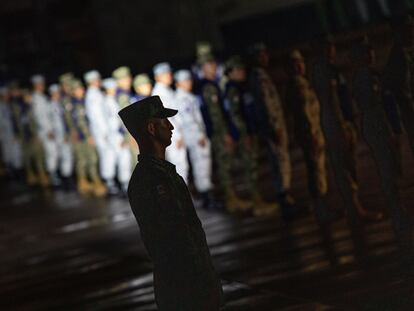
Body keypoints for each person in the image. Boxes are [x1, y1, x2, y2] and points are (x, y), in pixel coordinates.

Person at [118, 95, 223, 311]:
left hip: (189, 283)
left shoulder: (162, 174)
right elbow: (175, 238)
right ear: (151, 129)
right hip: (184, 287)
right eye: (165, 121)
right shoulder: (152, 179)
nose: (171, 126)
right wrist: (201, 281)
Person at [352, 40, 413, 263]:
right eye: (366, 52)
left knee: (389, 168)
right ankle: (397, 213)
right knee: (388, 169)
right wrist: (394, 129)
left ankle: (398, 211)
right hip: (379, 125)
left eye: (371, 51)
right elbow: (383, 104)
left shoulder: (363, 78)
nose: (371, 55)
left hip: (376, 125)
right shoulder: (369, 78)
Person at [311, 38, 382, 222]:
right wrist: (339, 127)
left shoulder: (331, 69)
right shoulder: (323, 71)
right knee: (344, 167)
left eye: (331, 47)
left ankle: (353, 206)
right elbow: (330, 103)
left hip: (342, 123)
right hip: (335, 125)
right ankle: (354, 209)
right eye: (327, 47)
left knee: (349, 165)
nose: (331, 50)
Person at [285, 49, 339, 223]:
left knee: (316, 170)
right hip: (311, 135)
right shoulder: (298, 86)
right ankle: (322, 210)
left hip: (311, 133)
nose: (300, 66)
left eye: (300, 62)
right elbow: (304, 114)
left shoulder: (300, 83)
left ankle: (321, 208)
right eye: (295, 64)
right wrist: (312, 134)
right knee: (316, 171)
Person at [248, 43, 299, 218]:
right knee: (279, 161)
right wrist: (273, 126)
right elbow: (266, 104)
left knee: (281, 160)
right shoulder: (259, 78)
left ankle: (287, 198)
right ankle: (285, 200)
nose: (265, 57)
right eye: (261, 55)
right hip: (273, 126)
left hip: (275, 125)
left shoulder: (261, 76)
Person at [224, 56, 279, 216]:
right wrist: (244, 134)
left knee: (253, 167)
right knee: (251, 169)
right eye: (238, 70)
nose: (242, 72)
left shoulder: (241, 87)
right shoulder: (233, 90)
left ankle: (258, 200)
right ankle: (257, 202)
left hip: (249, 131)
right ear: (231, 73)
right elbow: (235, 115)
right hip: (244, 134)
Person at [197, 54, 252, 212]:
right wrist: (224, 134)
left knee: (226, 165)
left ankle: (232, 198)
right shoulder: (208, 87)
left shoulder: (211, 85)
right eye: (209, 64)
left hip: (219, 132)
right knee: (225, 166)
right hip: (219, 133)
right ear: (203, 68)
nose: (214, 66)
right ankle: (231, 199)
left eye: (214, 63)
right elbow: (215, 115)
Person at [174, 69, 220, 209]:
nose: (189, 83)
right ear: (178, 83)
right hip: (195, 136)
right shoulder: (183, 98)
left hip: (196, 135)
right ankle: (207, 196)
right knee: (202, 164)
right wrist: (199, 135)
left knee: (203, 164)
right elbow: (188, 120)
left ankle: (207, 194)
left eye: (189, 80)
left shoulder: (188, 96)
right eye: (185, 81)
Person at [152, 62, 189, 182]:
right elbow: (166, 118)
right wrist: (177, 136)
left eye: (169, 73)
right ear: (157, 77)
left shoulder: (167, 91)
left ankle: (184, 195)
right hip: (172, 134)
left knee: (182, 165)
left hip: (177, 133)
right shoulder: (159, 93)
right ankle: (181, 197)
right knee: (179, 166)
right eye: (165, 74)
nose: (169, 76)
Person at [70, 79, 106, 196]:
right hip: (83, 137)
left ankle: (90, 181)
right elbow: (81, 123)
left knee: (89, 159)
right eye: (77, 89)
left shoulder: (82, 102)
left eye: (81, 88)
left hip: (83, 136)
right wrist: (89, 136)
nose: (81, 91)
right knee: (88, 159)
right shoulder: (77, 105)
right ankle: (89, 182)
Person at [84, 70, 118, 195]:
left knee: (109, 155)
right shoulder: (93, 95)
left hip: (103, 131)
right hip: (102, 132)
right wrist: (104, 132)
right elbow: (97, 116)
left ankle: (110, 182)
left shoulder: (96, 93)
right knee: (107, 155)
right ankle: (109, 183)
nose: (99, 81)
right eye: (97, 79)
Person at [102, 78, 132, 194]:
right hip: (115, 135)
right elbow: (113, 122)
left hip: (114, 135)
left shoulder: (112, 100)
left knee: (115, 158)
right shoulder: (108, 101)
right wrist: (122, 134)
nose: (115, 90)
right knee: (121, 158)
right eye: (112, 88)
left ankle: (116, 183)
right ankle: (121, 185)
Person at [31, 74, 60, 186]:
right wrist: (48, 130)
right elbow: (41, 117)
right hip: (46, 131)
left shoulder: (41, 97)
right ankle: (53, 176)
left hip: (49, 129)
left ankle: (53, 174)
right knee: (51, 152)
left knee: (53, 152)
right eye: (40, 84)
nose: (42, 86)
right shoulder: (37, 98)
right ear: (36, 85)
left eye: (42, 84)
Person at [49, 84, 73, 183]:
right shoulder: (50, 105)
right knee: (62, 155)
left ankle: (66, 176)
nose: (59, 94)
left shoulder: (61, 103)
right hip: (58, 134)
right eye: (57, 92)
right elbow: (51, 122)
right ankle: (64, 177)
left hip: (64, 133)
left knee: (66, 155)